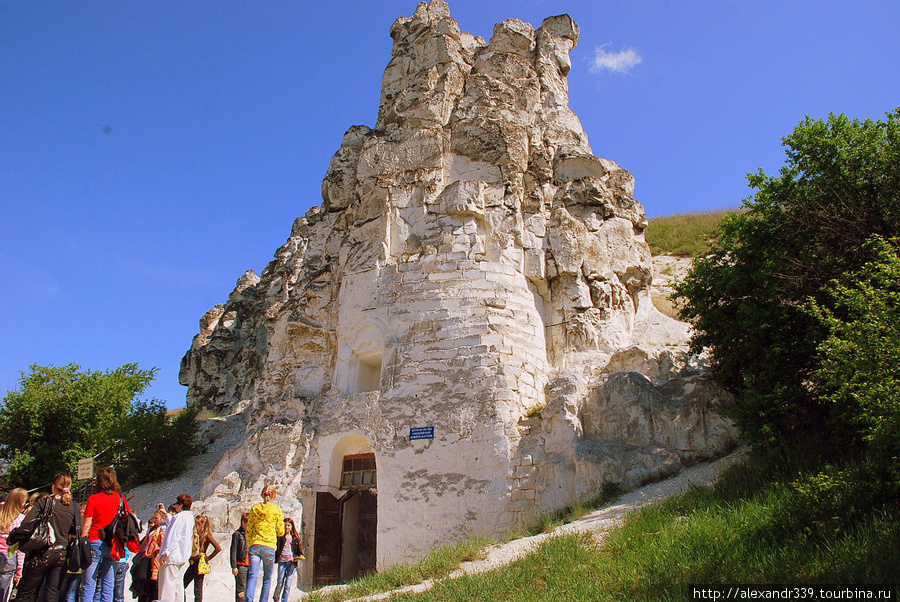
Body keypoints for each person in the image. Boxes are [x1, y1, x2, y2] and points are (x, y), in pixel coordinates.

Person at [14, 473, 79, 602]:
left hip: (42, 552)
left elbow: (26, 523)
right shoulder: (74, 505)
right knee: (52, 594)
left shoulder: (45, 502)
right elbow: (78, 529)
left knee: (26, 593)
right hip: (61, 553)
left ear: (53, 487)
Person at [81, 466, 129, 602]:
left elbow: (87, 524)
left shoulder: (93, 499)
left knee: (89, 583)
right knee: (109, 583)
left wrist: (82, 540)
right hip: (114, 543)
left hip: (96, 540)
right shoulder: (121, 499)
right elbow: (126, 519)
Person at [244, 485, 284, 602]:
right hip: (269, 546)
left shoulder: (255, 508)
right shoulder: (276, 510)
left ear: (263, 494)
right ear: (274, 496)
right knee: (267, 578)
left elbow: (249, 528)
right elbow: (281, 532)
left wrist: (249, 543)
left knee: (253, 576)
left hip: (255, 545)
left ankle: (249, 599)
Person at [156, 494, 194, 602]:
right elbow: (174, 524)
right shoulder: (189, 517)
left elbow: (173, 535)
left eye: (177, 504)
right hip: (183, 557)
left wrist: (165, 553)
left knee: (167, 588)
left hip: (172, 557)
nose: (176, 506)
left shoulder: (179, 517)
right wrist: (165, 514)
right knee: (178, 588)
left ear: (181, 505)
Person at [130, 509, 167, 602]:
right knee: (144, 581)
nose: (155, 520)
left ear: (162, 519)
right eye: (154, 518)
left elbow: (161, 544)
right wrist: (141, 555)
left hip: (155, 558)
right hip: (147, 558)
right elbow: (145, 542)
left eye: (157, 518)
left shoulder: (164, 529)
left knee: (154, 584)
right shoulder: (152, 529)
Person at [182, 514, 221, 602]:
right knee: (183, 585)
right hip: (193, 562)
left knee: (197, 588)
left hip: (200, 563)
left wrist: (208, 557)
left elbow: (218, 548)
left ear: (202, 524)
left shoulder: (207, 535)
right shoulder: (195, 535)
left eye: (197, 525)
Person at [0, 488, 27, 601]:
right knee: (4, 593)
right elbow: (19, 548)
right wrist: (19, 570)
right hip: (9, 556)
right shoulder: (21, 520)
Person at [58, 501, 87, 602]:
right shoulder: (87, 532)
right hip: (80, 566)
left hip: (68, 564)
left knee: (62, 592)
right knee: (72, 592)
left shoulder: (72, 529)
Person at [272, 518, 302, 602]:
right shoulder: (280, 537)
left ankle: (284, 600)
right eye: (285, 526)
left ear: (292, 527)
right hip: (282, 562)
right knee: (280, 581)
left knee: (288, 584)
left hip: (292, 562)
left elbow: (298, 549)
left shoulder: (295, 538)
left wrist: (299, 556)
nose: (287, 527)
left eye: (288, 525)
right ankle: (276, 597)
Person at [229, 512, 250, 602]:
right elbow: (233, 550)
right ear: (243, 522)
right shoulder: (237, 534)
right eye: (248, 524)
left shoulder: (250, 534)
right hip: (241, 565)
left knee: (249, 589)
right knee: (241, 590)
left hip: (250, 565)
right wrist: (234, 566)